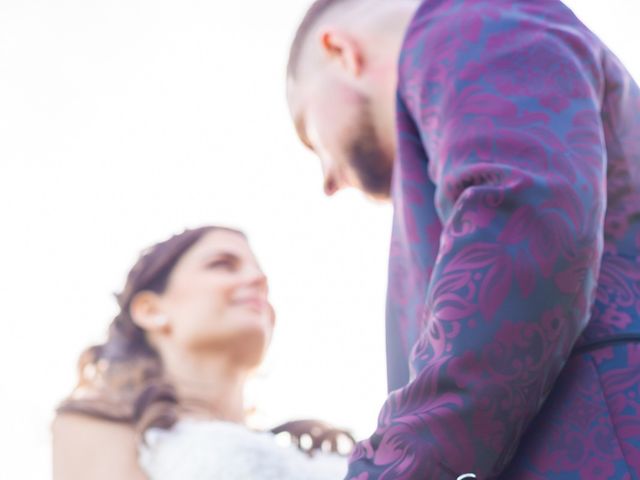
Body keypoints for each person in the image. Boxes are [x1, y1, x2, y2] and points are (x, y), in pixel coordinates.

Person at [286, 0, 640, 478]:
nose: (327, 181)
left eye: (310, 136)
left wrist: (391, 468)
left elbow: (521, 226)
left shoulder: (471, 17)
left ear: (340, 51)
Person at [52, 226, 351, 479]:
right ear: (152, 310)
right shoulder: (95, 423)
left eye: (259, 273)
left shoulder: (309, 451)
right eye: (223, 264)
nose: (260, 281)